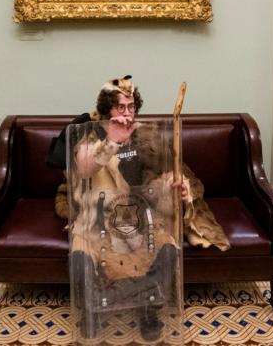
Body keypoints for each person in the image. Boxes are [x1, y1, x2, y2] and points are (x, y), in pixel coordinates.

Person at [47, 76, 228, 341]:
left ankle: (149, 310)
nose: (127, 113)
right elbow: (85, 167)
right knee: (80, 257)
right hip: (97, 220)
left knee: (167, 248)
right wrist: (113, 142)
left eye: (131, 107)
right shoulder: (88, 132)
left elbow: (159, 179)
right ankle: (91, 311)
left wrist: (176, 188)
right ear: (108, 109)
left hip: (140, 218)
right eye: (121, 107)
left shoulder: (146, 135)